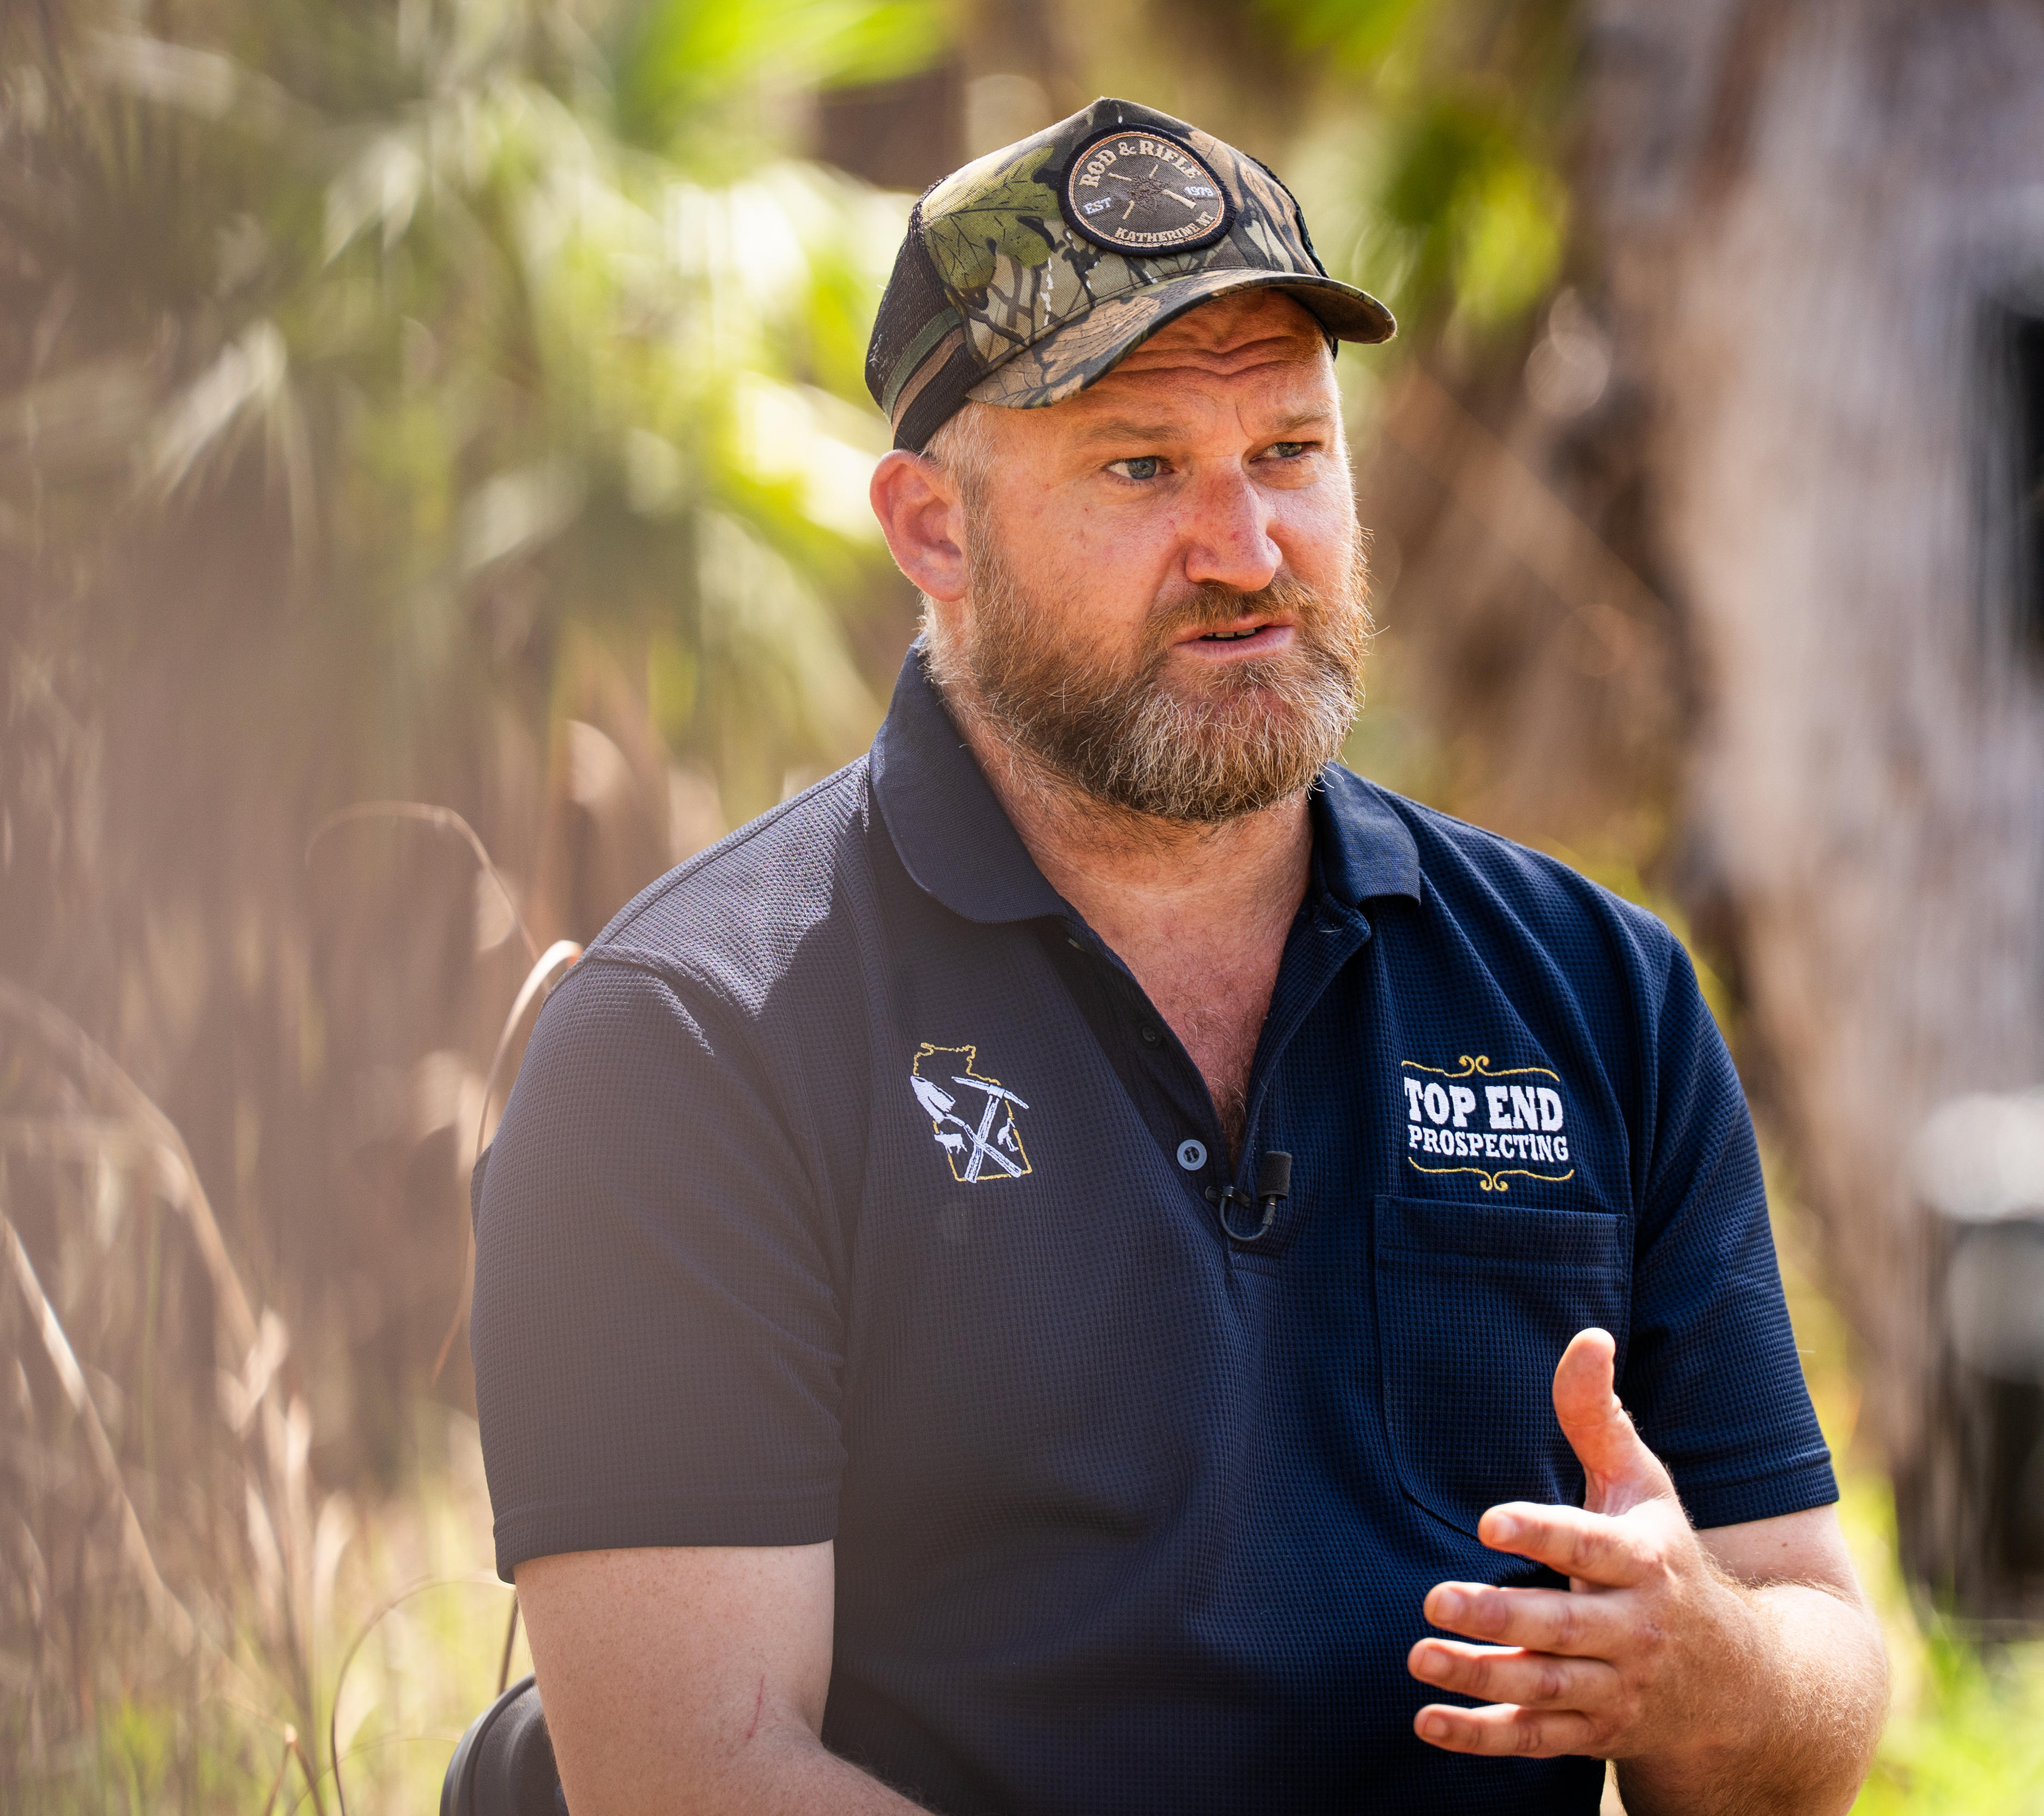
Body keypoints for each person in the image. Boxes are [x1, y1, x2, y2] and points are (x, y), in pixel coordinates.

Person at [470, 96, 1887, 1815]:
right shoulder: (696, 1040)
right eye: (1141, 468)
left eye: (1289, 452)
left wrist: (1708, 1666)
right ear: (933, 531)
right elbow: (694, 1774)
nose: (1246, 550)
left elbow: (1814, 1651)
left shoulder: (1597, 993)